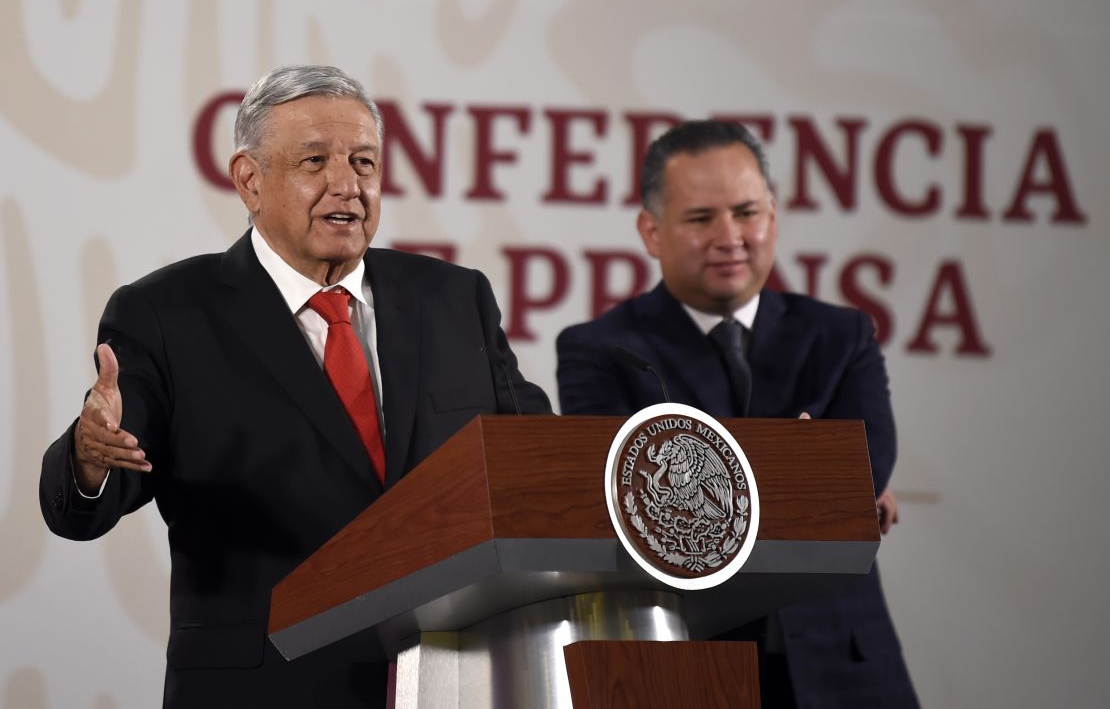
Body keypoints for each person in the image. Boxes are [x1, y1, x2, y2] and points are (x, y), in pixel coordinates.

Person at [39, 65, 551, 708]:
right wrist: (90, 454)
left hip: (450, 682)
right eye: (315, 161)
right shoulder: (168, 313)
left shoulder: (453, 298)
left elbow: (530, 457)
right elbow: (104, 479)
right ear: (250, 180)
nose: (348, 184)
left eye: (364, 162)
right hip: (265, 686)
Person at [556, 120, 918, 708]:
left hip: (846, 662)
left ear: (772, 216)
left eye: (747, 213)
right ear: (652, 231)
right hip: (688, 658)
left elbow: (864, 469)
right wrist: (804, 471)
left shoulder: (842, 334)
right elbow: (632, 501)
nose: (730, 237)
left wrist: (844, 484)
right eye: (701, 219)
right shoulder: (599, 348)